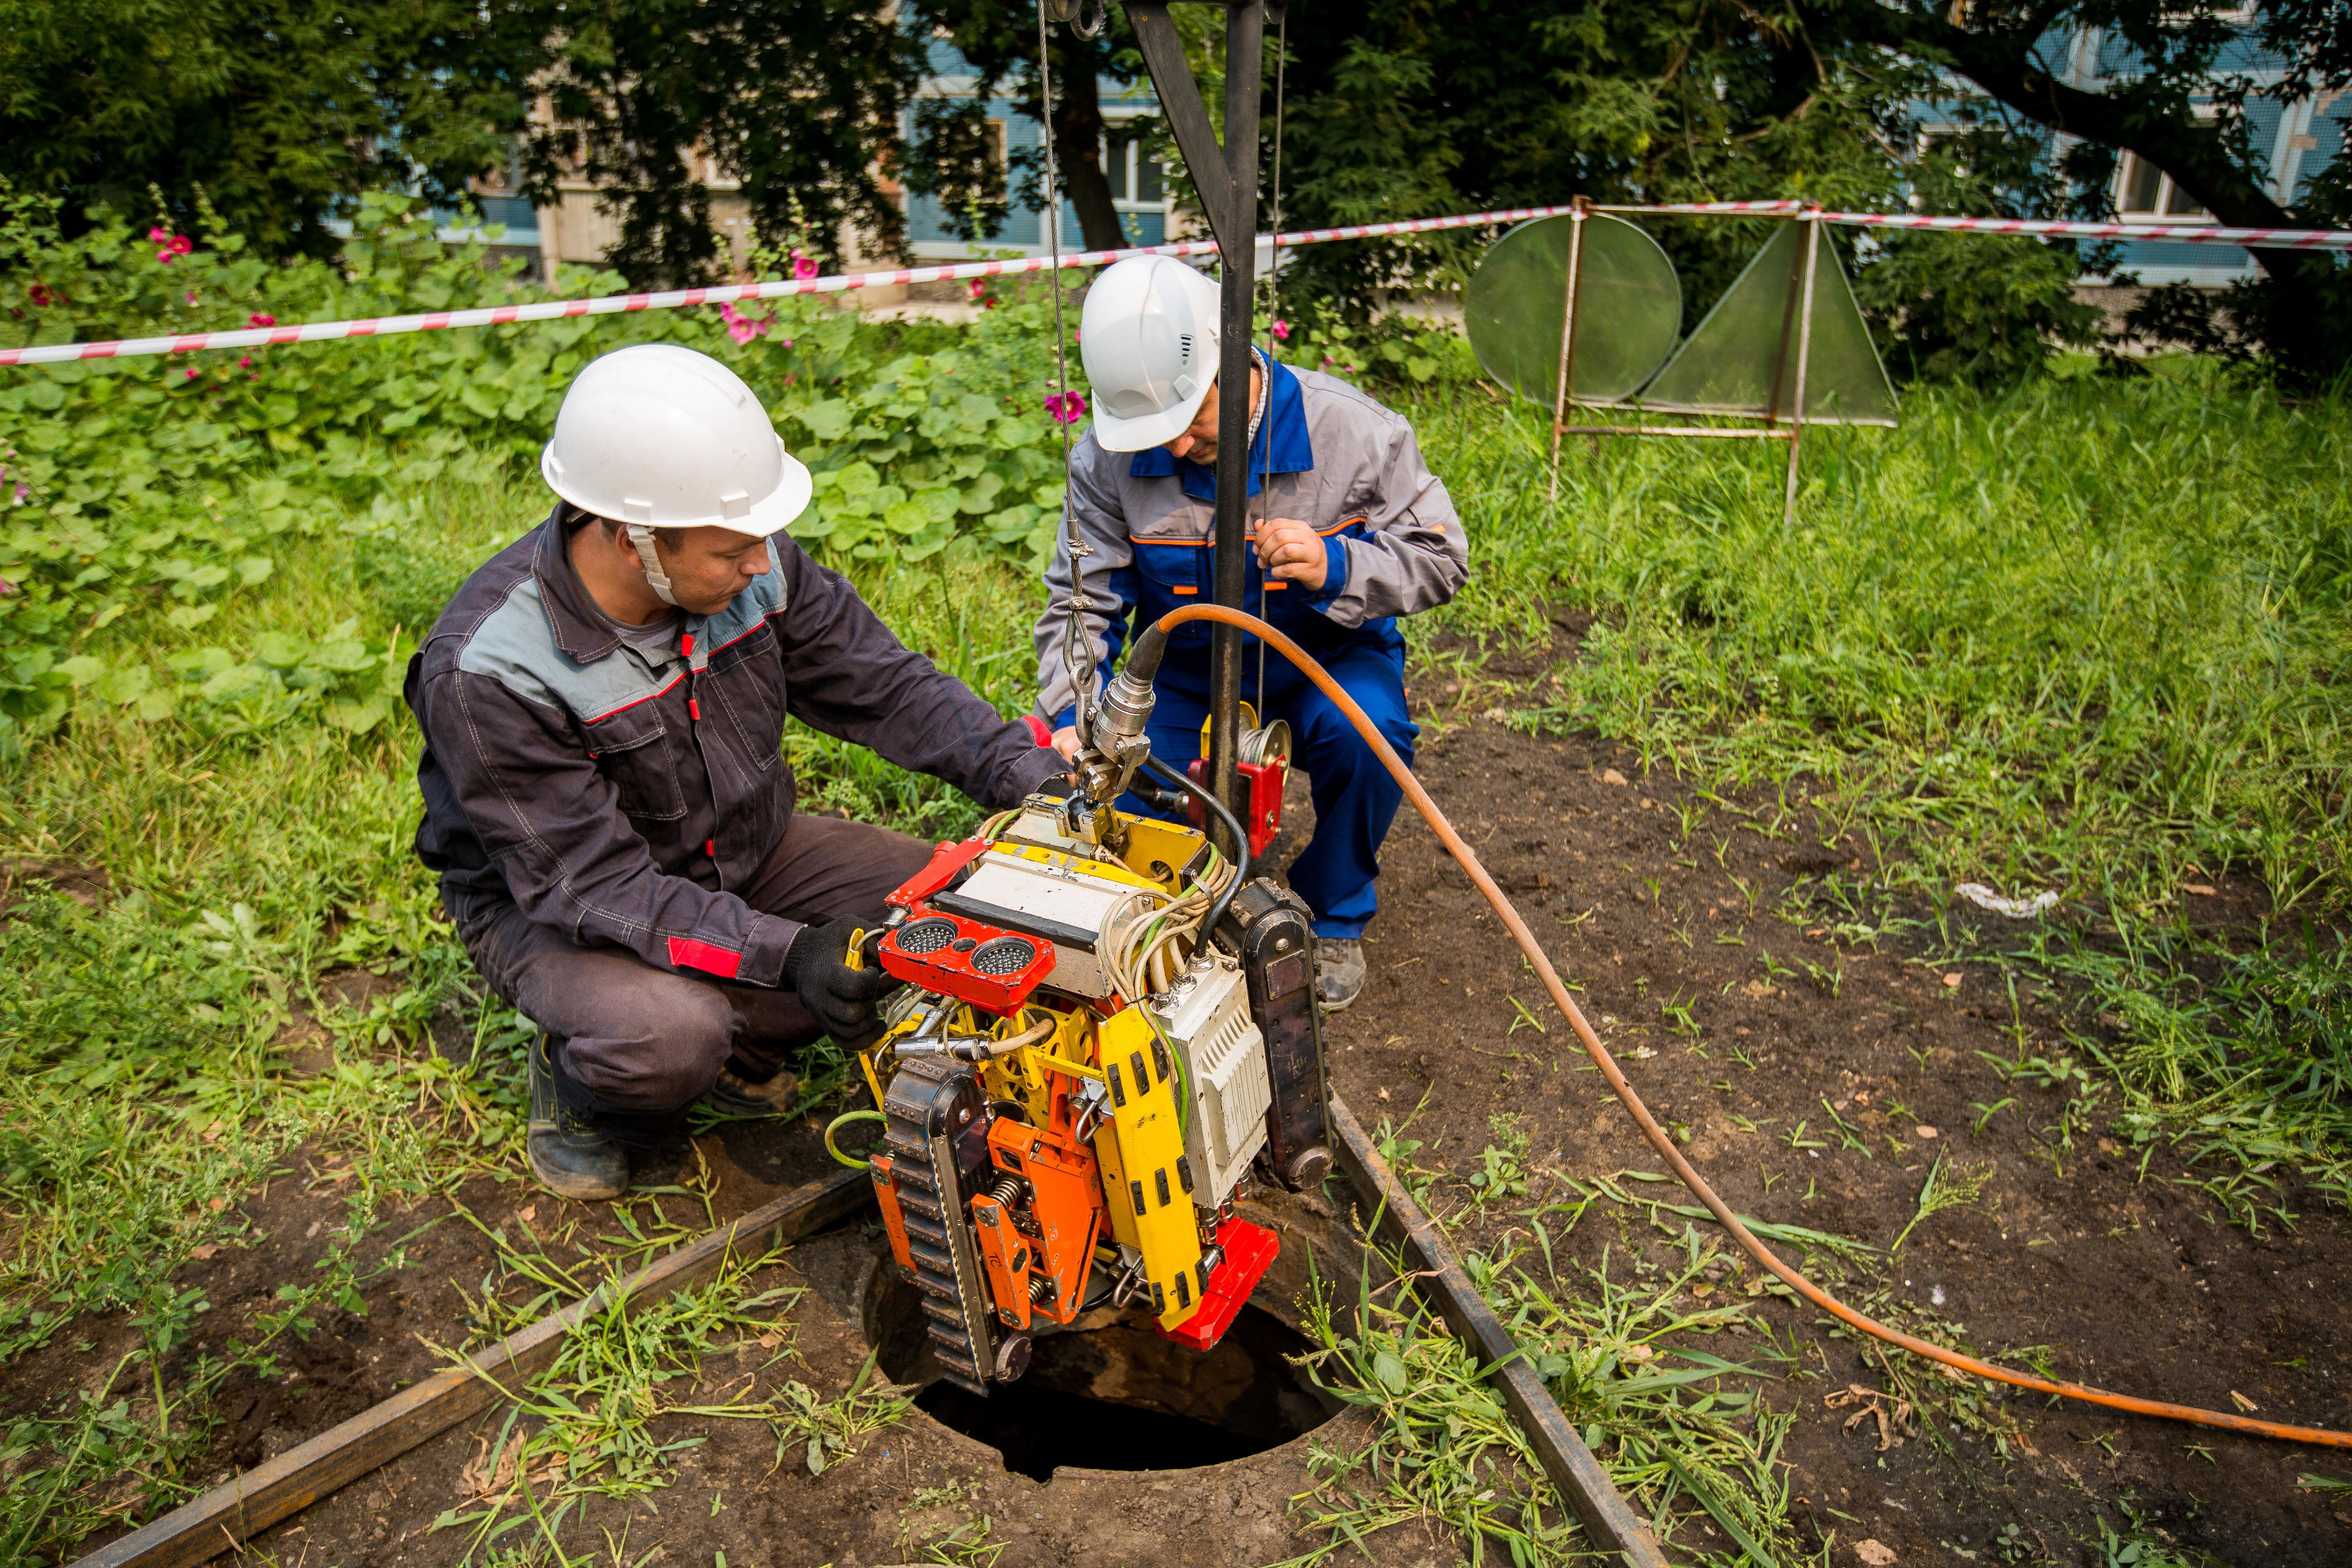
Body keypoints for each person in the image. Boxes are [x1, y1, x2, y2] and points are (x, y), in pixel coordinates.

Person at [407, 343, 1067, 1200]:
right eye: (730, 551)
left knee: (952, 909)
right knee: (668, 1031)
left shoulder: (751, 566)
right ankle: (582, 1086)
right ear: (632, 536)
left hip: (743, 848)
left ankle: (744, 1039)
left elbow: (890, 687)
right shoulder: (493, 669)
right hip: (566, 907)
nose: (760, 564)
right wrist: (791, 953)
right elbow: (595, 887)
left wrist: (1028, 771)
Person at [1033, 256, 1467, 1012]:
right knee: (1132, 792)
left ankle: (1330, 913)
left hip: (1326, 649)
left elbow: (1443, 560)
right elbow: (1080, 602)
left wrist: (1337, 563)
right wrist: (1077, 713)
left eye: (1189, 420)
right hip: (1185, 667)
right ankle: (1183, 914)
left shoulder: (1355, 433)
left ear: (1230, 360)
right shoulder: (1104, 460)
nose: (1170, 450)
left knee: (1369, 736)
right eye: (1151, 430)